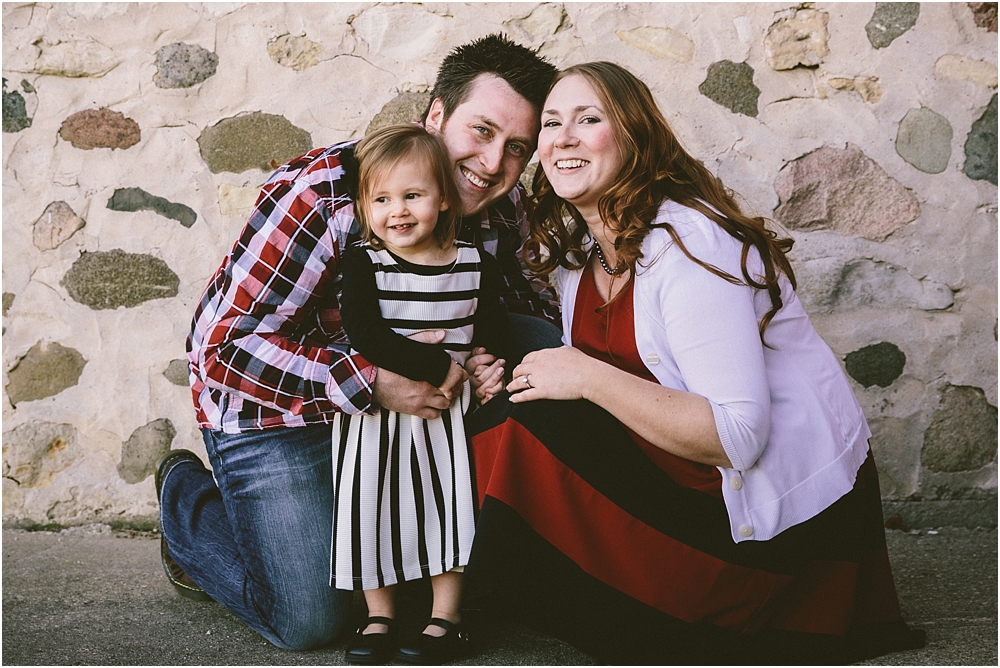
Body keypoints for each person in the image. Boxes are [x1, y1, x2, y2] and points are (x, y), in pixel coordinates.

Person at [465, 61, 926, 665]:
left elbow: (736, 437)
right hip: (674, 468)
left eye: (588, 119)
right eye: (551, 124)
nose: (563, 138)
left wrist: (583, 374)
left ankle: (498, 597)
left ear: (634, 138)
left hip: (758, 521)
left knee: (527, 425)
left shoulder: (692, 244)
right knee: (502, 411)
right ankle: (442, 592)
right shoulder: (583, 256)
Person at [156, 34, 559, 651]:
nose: (492, 162)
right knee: (309, 621)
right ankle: (185, 499)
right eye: (481, 131)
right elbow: (222, 349)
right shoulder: (324, 192)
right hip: (279, 413)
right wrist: (371, 381)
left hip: (410, 417)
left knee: (544, 346)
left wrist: (488, 358)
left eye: (516, 148)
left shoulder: (501, 210)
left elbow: (528, 315)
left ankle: (498, 547)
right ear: (436, 115)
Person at [332, 124, 509, 664]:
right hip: (374, 420)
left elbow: (492, 325)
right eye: (382, 199)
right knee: (371, 508)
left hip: (445, 419)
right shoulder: (365, 262)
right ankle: (379, 614)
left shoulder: (472, 263)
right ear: (364, 206)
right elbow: (366, 334)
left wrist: (483, 362)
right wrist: (435, 363)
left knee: (448, 507)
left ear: (444, 198)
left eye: (413, 195)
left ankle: (445, 617)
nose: (398, 211)